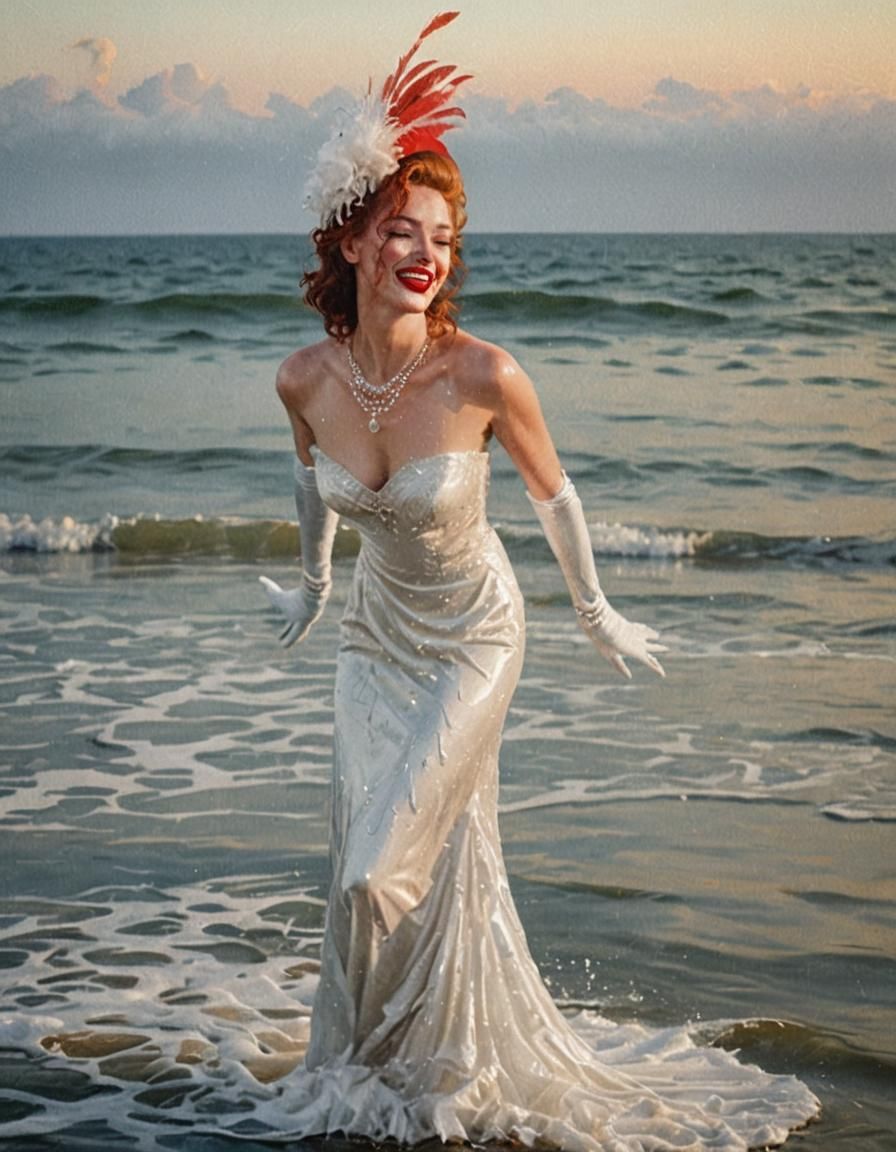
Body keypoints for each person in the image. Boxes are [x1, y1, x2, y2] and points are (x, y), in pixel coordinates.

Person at [259, 13, 819, 1149]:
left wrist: (596, 610)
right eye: (402, 231)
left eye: (443, 237)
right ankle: (372, 1085)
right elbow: (313, 483)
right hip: (372, 642)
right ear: (353, 241)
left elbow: (555, 497)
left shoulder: (483, 375)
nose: (426, 254)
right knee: (364, 873)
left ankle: (407, 1071)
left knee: (376, 874)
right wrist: (313, 587)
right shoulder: (304, 378)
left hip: (473, 635)